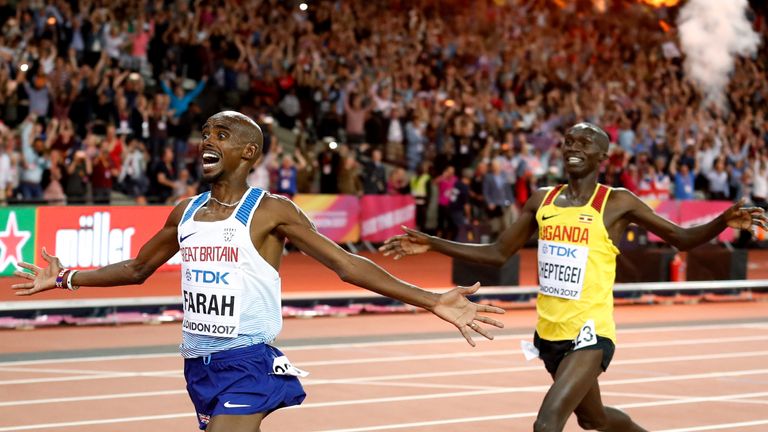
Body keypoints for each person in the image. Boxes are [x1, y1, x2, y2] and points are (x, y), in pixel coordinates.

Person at [11, 111, 504, 432]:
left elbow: (346, 266)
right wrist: (64, 278)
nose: (207, 139)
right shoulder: (184, 211)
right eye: (205, 133)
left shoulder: (270, 210)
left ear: (249, 153)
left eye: (220, 135)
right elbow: (138, 267)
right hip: (197, 364)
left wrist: (432, 298)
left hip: (248, 363)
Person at [380, 122, 767, 432]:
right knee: (593, 420)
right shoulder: (542, 199)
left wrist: (721, 222)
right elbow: (498, 253)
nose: (574, 147)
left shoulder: (616, 201)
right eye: (568, 141)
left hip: (590, 333)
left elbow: (681, 239)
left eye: (585, 141)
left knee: (546, 424)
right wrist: (432, 242)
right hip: (548, 333)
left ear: (603, 154)